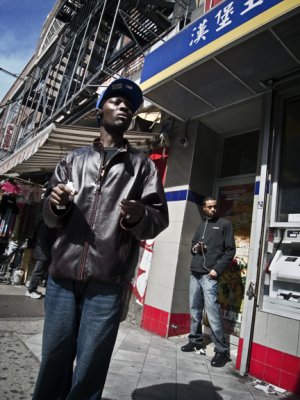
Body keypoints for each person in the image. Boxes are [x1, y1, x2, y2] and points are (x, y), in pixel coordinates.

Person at [32, 78, 169, 400]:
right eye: (116, 101)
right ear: (100, 110)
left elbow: (157, 221)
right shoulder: (72, 161)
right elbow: (49, 219)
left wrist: (138, 216)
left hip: (108, 283)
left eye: (129, 105)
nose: (124, 107)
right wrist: (56, 203)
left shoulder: (143, 167)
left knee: (91, 366)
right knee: (53, 358)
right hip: (62, 279)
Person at [181, 196, 235, 368]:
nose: (213, 210)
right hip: (195, 272)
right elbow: (192, 247)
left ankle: (222, 350)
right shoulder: (201, 225)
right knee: (195, 310)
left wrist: (216, 270)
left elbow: (230, 251)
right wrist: (196, 248)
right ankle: (195, 340)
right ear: (204, 209)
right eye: (209, 207)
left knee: (212, 313)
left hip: (209, 275)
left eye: (215, 207)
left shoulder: (225, 225)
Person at [26, 221, 57, 299]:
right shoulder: (47, 225)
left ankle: (31, 289)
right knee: (38, 271)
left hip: (43, 252)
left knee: (39, 271)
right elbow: (44, 240)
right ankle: (31, 290)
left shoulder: (43, 223)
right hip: (44, 253)